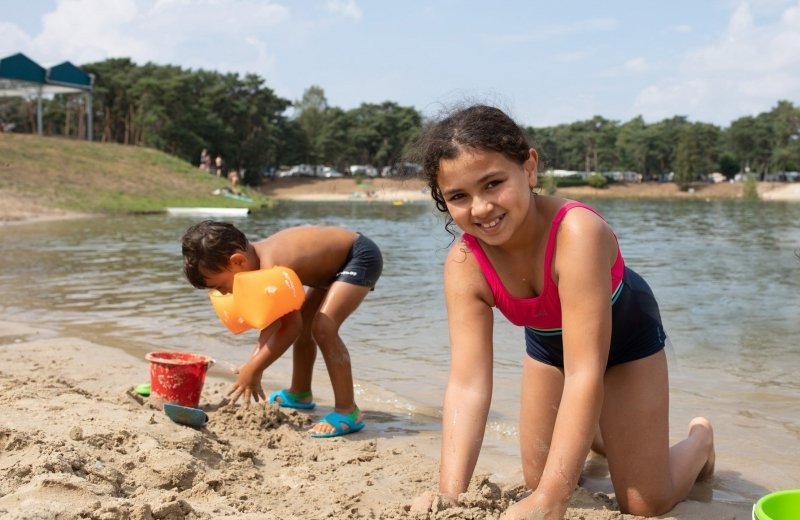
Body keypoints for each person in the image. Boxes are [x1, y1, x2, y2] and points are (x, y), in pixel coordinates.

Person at [411, 105, 714, 518]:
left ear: (529, 168)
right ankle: (606, 434)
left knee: (645, 504)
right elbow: (468, 384)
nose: (481, 208)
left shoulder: (577, 232)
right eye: (459, 197)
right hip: (550, 348)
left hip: (627, 341)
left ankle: (700, 441)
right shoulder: (465, 266)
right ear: (443, 201)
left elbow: (586, 371)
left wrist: (554, 502)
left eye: (493, 183)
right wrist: (450, 493)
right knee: (539, 479)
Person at [181, 221, 383, 438]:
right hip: (330, 269)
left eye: (222, 286)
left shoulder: (270, 267)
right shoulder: (255, 265)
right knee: (307, 324)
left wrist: (254, 369)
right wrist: (253, 365)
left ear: (238, 261)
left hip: (358, 256)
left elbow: (289, 327)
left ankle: (347, 410)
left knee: (324, 327)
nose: (226, 293)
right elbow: (272, 323)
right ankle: (300, 393)